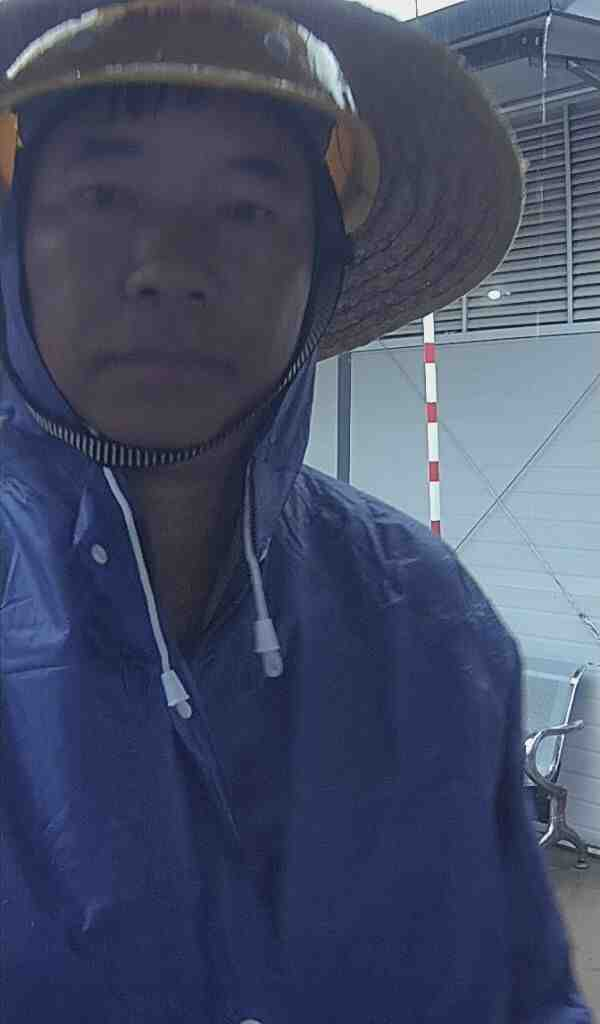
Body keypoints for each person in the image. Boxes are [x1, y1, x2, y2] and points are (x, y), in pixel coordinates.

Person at [0, 1, 592, 1022]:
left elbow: (518, 992)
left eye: (245, 208)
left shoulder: (429, 623)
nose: (168, 267)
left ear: (321, 266)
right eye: (103, 194)